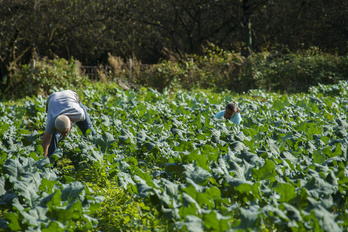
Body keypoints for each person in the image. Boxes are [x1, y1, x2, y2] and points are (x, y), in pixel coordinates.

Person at [42, 90, 96, 158]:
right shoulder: (51, 122)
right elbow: (45, 143)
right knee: (53, 137)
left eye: (66, 132)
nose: (66, 135)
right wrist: (44, 157)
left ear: (71, 123)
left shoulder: (79, 114)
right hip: (53, 98)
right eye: (62, 133)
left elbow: (86, 124)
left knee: (89, 131)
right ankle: (51, 164)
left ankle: (97, 152)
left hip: (70, 95)